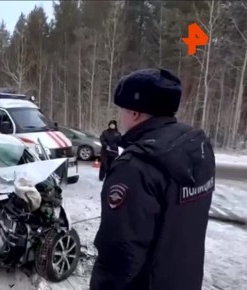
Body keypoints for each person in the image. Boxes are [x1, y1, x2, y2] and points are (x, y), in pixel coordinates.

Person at [89, 68, 215, 290]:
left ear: (135, 113)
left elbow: (120, 255)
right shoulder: (197, 147)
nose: (121, 116)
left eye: (122, 110)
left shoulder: (134, 168)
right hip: (184, 279)